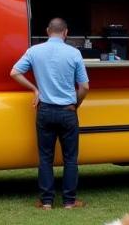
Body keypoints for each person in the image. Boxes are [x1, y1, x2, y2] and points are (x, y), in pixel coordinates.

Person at [10, 17, 90, 209]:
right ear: (66, 32)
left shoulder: (34, 51)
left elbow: (14, 72)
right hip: (67, 111)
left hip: (44, 111)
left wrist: (35, 89)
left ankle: (46, 202)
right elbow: (85, 87)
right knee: (70, 158)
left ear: (48, 31)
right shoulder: (74, 53)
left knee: (45, 157)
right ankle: (69, 201)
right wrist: (75, 105)